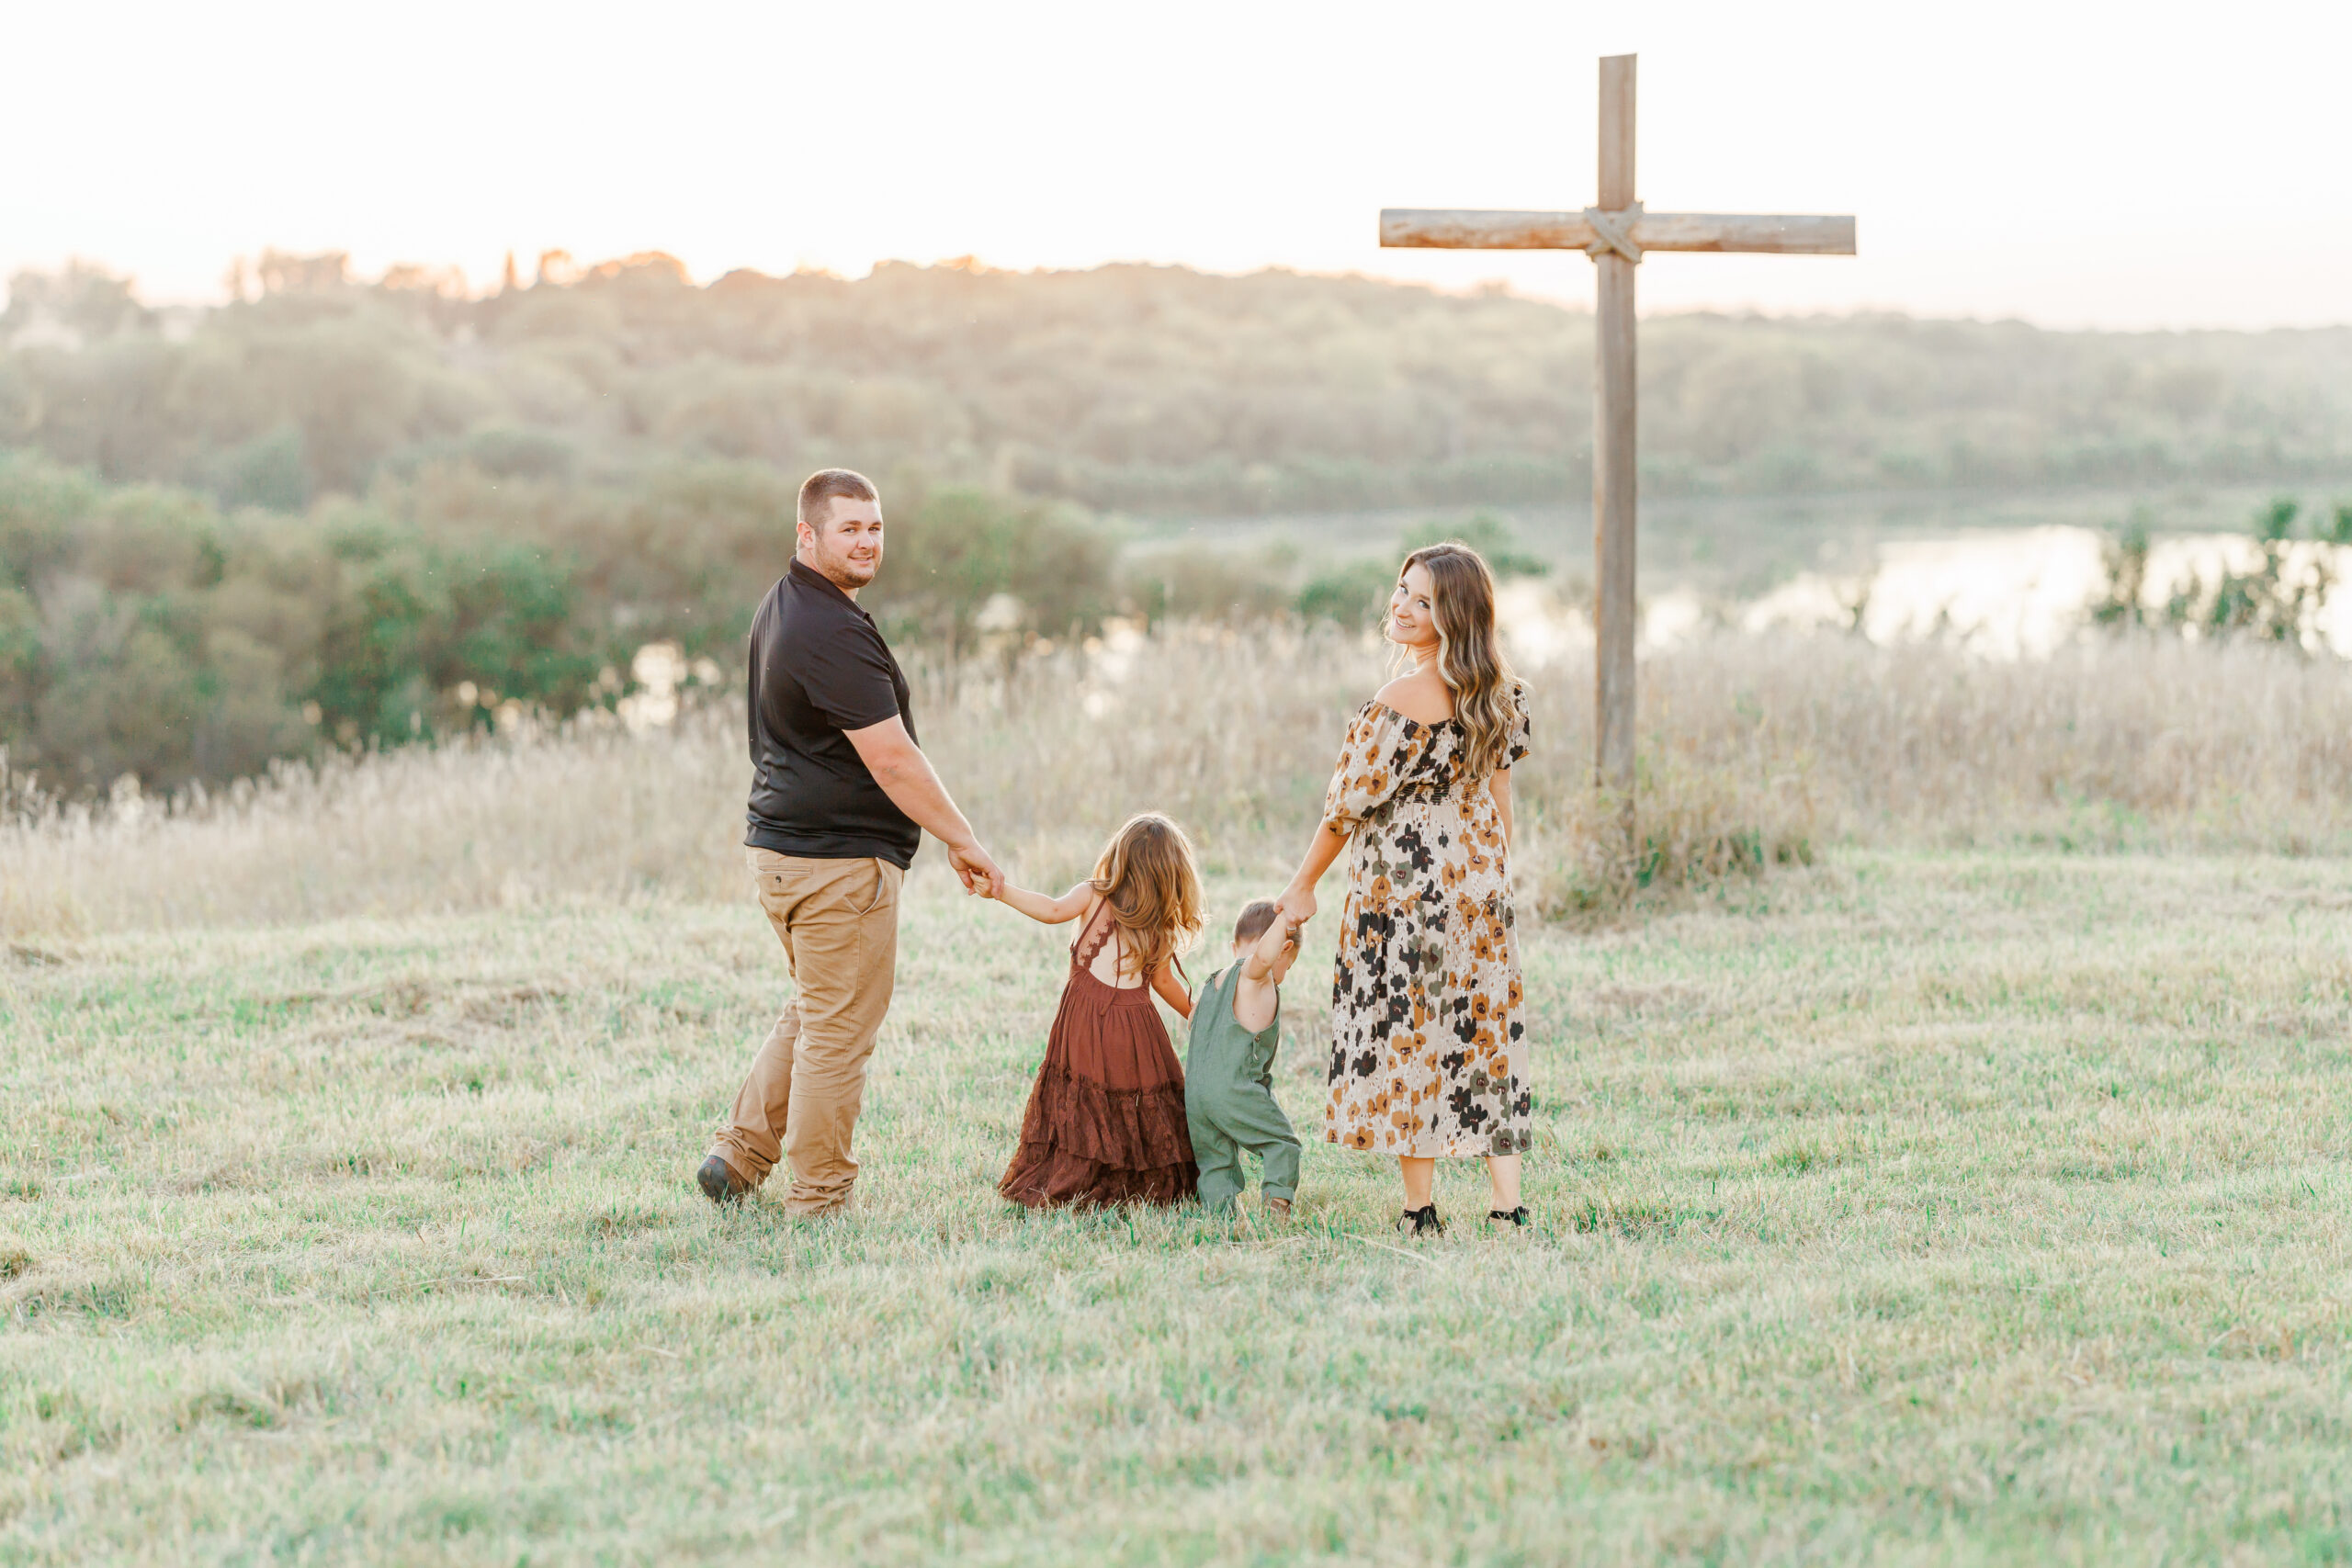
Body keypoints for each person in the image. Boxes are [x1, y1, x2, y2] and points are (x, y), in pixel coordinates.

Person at [698, 468, 1003, 1214]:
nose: (867, 542)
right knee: (837, 1033)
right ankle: (820, 1197)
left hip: (780, 854)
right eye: (849, 529)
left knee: (814, 1009)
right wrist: (964, 841)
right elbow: (894, 757)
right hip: (835, 866)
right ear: (808, 534)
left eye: (874, 528)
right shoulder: (828, 627)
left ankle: (736, 1157)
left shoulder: (786, 605)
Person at [1275, 543, 1533, 1236]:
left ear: (1454, 615)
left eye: (1423, 600)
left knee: (1414, 1042)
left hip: (1405, 896)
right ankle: (1508, 1206)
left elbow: (1342, 811)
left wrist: (1302, 887)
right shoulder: (1502, 694)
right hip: (1479, 892)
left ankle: (1421, 1211)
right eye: (1401, 590)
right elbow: (1501, 799)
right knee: (1482, 1038)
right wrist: (1492, 879)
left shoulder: (1398, 703)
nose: (1403, 606)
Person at [984, 813, 1203, 1208]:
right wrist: (1197, 1014)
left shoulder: (1093, 894)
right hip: (1136, 1030)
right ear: (1172, 875)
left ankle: (1084, 1178)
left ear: (1118, 854)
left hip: (1086, 1022)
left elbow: (1051, 910)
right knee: (1133, 1099)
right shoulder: (1159, 921)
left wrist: (1001, 891)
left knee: (1090, 1100)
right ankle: (1133, 1184)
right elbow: (1165, 983)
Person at [1184, 898, 1306, 1221]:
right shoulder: (1255, 974)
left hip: (1195, 1096)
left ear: (1232, 945)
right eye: (1288, 966)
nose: (1283, 975)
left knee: (1215, 1160)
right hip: (1233, 1089)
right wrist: (1286, 919)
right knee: (1282, 1142)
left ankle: (1218, 1217)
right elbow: (1262, 958)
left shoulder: (1211, 984)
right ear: (1283, 948)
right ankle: (1277, 1211)